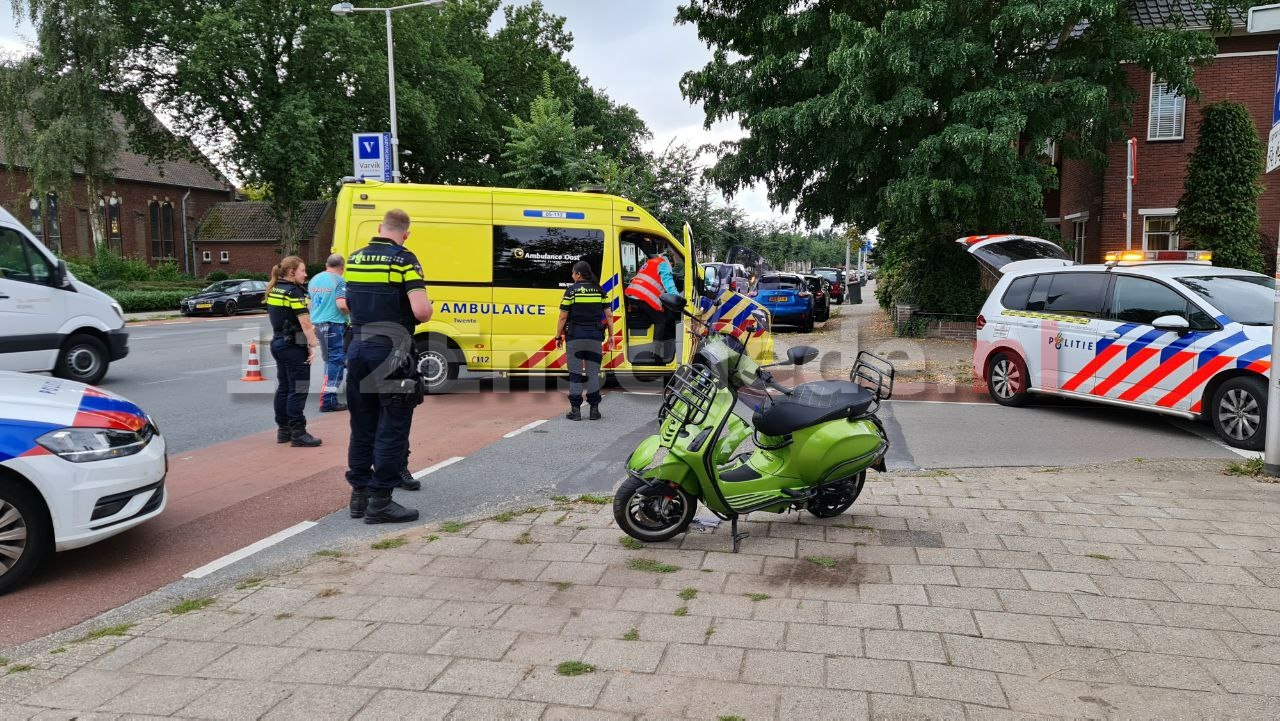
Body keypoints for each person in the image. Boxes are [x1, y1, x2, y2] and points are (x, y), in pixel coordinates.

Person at [344, 208, 433, 524]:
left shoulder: (354, 259)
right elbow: (421, 312)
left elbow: (346, 303)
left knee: (363, 423)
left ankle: (359, 495)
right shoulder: (404, 260)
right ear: (405, 233)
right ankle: (381, 501)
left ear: (380, 227)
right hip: (391, 349)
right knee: (392, 425)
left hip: (358, 347)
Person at [266, 256, 322, 448]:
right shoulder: (293, 292)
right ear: (292, 272)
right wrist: (313, 345)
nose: (305, 274)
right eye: (302, 271)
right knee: (298, 389)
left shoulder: (275, 289)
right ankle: (299, 433)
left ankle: (284, 430)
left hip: (278, 342)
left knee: (285, 387)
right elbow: (305, 323)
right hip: (292, 345)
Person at [556, 260, 614, 421]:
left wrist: (558, 336)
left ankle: (575, 411)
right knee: (593, 375)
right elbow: (609, 315)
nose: (572, 275)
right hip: (594, 338)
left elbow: (563, 317)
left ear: (579, 274)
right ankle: (594, 410)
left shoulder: (571, 291)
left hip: (575, 338)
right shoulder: (599, 291)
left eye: (573, 273)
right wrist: (611, 335)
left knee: (575, 374)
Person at [624, 244, 680, 362]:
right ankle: (656, 353)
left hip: (632, 294)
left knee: (657, 314)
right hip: (643, 295)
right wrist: (679, 300)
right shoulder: (664, 264)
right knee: (661, 320)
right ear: (670, 261)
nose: (671, 268)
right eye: (673, 266)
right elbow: (669, 285)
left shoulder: (651, 261)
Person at [308, 254, 349, 413]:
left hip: (318, 324)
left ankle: (327, 397)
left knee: (329, 360)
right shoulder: (339, 281)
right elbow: (341, 305)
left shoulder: (314, 279)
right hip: (333, 325)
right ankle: (328, 400)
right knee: (336, 361)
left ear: (326, 264)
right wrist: (353, 312)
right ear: (342, 267)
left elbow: (310, 303)